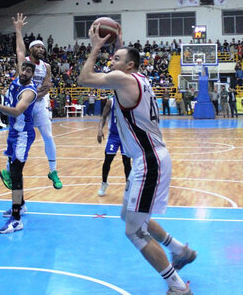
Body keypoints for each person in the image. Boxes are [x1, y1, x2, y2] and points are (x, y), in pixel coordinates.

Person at [78, 22, 196, 295]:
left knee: (134, 231)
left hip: (149, 160)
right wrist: (120, 40)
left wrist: (95, 48)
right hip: (149, 158)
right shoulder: (138, 79)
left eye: (116, 58)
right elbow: (126, 57)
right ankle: (181, 250)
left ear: (129, 66)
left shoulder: (124, 79)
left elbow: (84, 78)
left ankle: (177, 287)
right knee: (129, 217)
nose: (111, 59)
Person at [0, 60, 37, 234]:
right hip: (13, 133)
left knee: (16, 175)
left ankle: (17, 219)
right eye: (23, 69)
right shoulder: (17, 80)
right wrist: (18, 31)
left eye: (28, 71)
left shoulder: (28, 92)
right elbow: (20, 51)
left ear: (32, 75)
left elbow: (17, 111)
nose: (25, 72)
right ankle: (22, 205)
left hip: (23, 135)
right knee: (13, 171)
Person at [5, 13, 62, 190]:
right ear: (31, 50)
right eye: (37, 47)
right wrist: (18, 31)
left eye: (42, 47)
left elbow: (46, 86)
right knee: (15, 139)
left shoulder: (47, 67)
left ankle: (53, 170)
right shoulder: (25, 63)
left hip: (37, 104)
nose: (41, 49)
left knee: (48, 136)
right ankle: (10, 171)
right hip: (22, 107)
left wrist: (31, 96)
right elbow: (19, 50)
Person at [96, 97, 131, 197]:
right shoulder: (111, 102)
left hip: (126, 136)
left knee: (127, 163)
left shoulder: (130, 101)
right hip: (113, 136)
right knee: (107, 160)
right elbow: (103, 117)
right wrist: (100, 130)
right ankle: (104, 183)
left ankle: (129, 186)